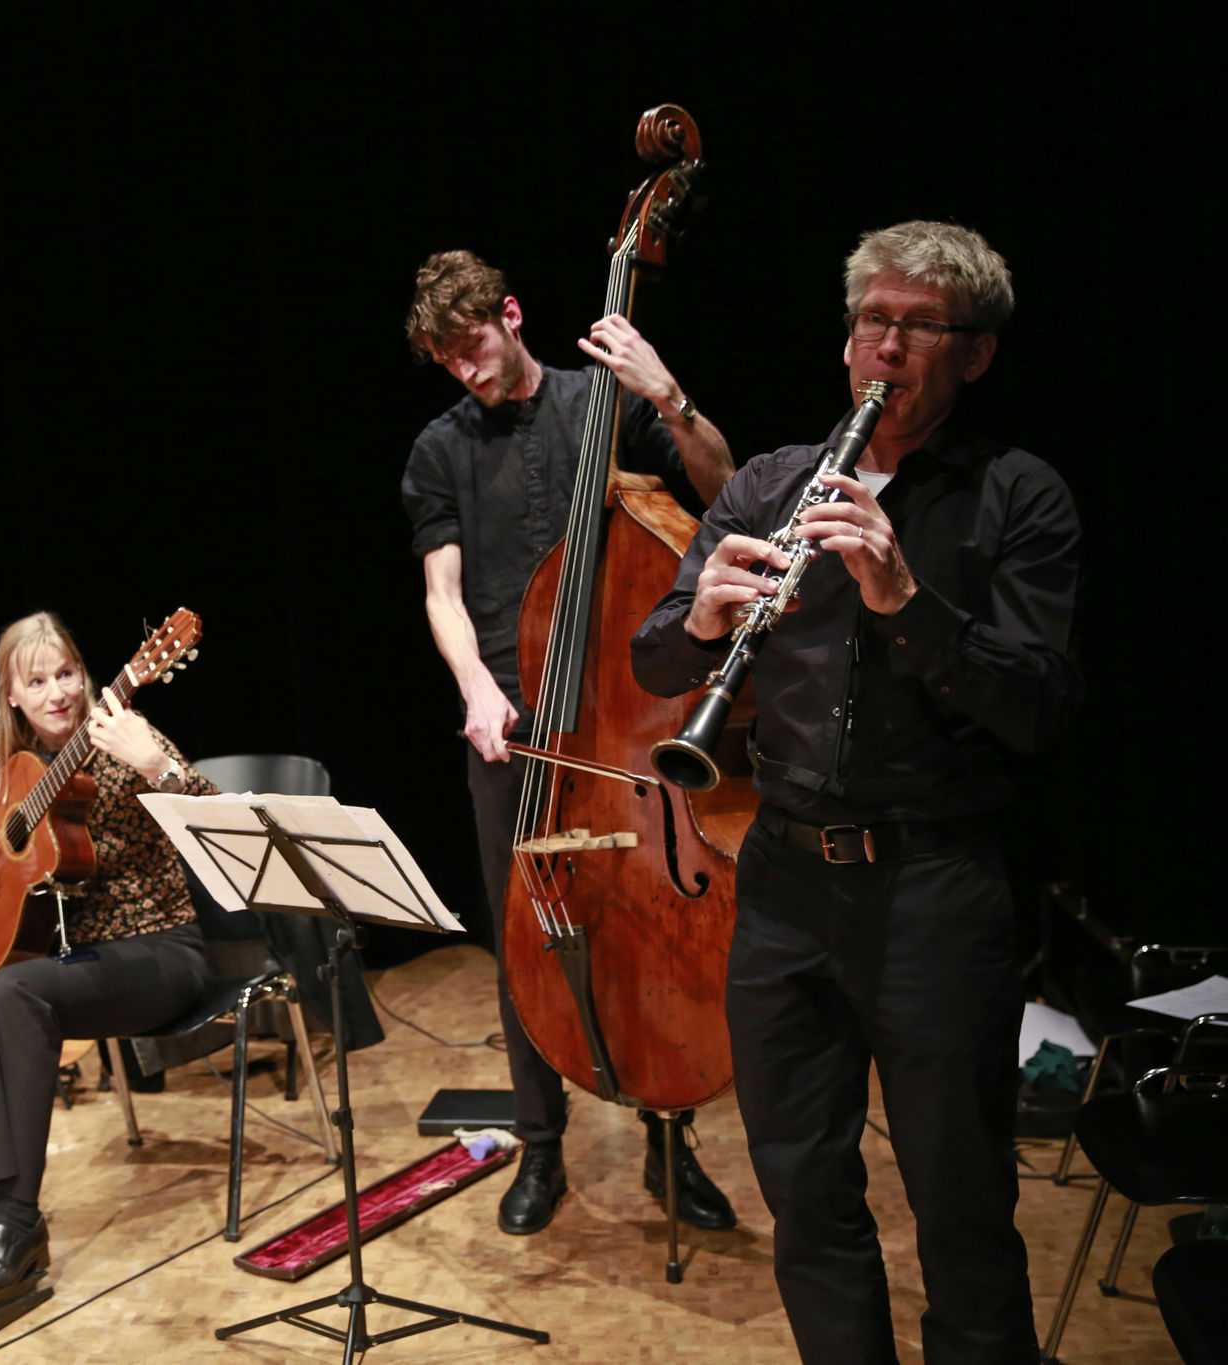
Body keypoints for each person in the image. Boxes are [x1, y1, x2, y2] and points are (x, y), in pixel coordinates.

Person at [631, 221, 1081, 1363]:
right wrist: (701, 616)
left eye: (915, 327)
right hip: (781, 885)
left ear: (970, 355)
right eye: (869, 321)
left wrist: (902, 595)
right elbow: (650, 663)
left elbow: (1033, 706)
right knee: (804, 1195)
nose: (883, 345)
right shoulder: (767, 484)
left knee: (960, 1204)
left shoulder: (1016, 497)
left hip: (935, 891)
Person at [400, 249, 740, 1236]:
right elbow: (442, 593)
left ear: (509, 314)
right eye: (444, 361)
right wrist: (472, 688)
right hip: (512, 725)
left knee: (654, 931)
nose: (465, 372)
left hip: (624, 724)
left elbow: (719, 492)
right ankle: (538, 1149)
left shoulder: (600, 402)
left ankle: (665, 1139)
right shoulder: (437, 451)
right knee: (528, 929)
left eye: (472, 348)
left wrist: (668, 399)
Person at [0, 611, 214, 1306]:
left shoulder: (124, 736)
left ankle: (17, 1224)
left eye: (68, 673)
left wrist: (156, 762)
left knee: (18, 992)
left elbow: (215, 818)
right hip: (61, 960)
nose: (59, 691)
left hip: (156, 951)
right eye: (38, 680)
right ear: (13, 698)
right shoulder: (9, 756)